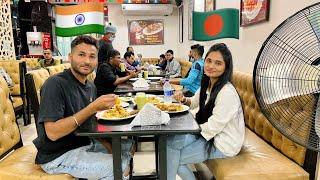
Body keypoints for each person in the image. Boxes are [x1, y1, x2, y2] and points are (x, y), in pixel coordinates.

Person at [33, 35, 134, 180]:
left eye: (92, 56)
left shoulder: (90, 86)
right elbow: (53, 133)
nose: (87, 61)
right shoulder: (55, 84)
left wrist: (106, 143)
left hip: (82, 143)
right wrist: (92, 108)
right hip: (58, 155)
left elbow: (88, 124)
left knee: (130, 145)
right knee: (120, 167)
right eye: (81, 55)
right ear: (70, 57)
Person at [167, 43, 245, 180]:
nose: (211, 66)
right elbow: (193, 102)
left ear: (226, 67)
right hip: (206, 133)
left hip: (223, 143)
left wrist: (187, 129)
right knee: (169, 143)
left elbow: (213, 127)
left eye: (218, 63)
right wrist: (184, 100)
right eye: (209, 61)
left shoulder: (227, 93)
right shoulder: (207, 83)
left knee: (175, 160)